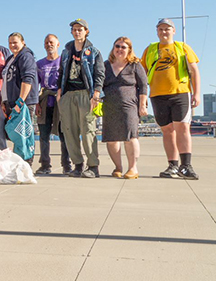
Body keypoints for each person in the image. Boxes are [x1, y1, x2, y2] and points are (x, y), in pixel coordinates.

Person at [141, 18, 201, 180]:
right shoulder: (150, 49)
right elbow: (142, 74)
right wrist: (143, 96)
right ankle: (173, 165)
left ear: (173, 31)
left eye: (167, 29)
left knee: (182, 127)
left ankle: (186, 165)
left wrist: (196, 93)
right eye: (160, 29)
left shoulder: (182, 47)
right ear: (157, 32)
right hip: (157, 95)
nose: (164, 32)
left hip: (180, 92)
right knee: (167, 130)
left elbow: (194, 71)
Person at [57, 19, 105, 178]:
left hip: (86, 94)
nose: (77, 32)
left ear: (86, 31)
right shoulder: (66, 51)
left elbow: (99, 74)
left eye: (80, 29)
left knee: (88, 130)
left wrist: (96, 93)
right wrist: (59, 92)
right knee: (69, 131)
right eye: (74, 29)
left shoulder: (94, 52)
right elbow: (62, 72)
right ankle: (77, 165)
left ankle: (93, 166)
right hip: (68, 94)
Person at [103, 37, 147, 179]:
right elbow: (99, 85)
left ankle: (133, 168)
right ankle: (118, 167)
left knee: (130, 136)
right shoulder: (105, 65)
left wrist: (142, 105)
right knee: (112, 138)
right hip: (109, 106)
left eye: (123, 47)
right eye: (117, 46)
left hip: (130, 106)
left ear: (129, 49)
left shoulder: (135, 65)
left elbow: (143, 86)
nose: (120, 49)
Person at [35, 34, 71, 175]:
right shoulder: (39, 64)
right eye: (46, 42)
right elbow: (35, 85)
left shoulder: (64, 62)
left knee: (64, 135)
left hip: (60, 101)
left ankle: (66, 165)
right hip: (45, 101)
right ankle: (45, 165)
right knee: (43, 136)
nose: (49, 45)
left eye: (51, 42)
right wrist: (37, 103)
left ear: (58, 44)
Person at [0, 32, 39, 156]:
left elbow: (28, 79)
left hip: (23, 103)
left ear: (23, 42)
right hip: (10, 102)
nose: (12, 45)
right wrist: (4, 101)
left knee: (24, 136)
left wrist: (21, 101)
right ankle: (19, 162)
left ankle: (27, 163)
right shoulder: (11, 59)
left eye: (15, 42)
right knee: (14, 135)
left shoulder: (26, 56)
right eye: (10, 43)